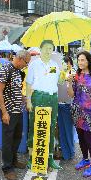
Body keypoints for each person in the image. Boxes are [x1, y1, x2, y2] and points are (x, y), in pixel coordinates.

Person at [67, 50, 91, 178]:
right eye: (78, 60)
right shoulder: (76, 75)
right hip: (77, 113)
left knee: (89, 140)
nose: (80, 62)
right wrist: (68, 82)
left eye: (82, 60)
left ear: (88, 61)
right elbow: (71, 95)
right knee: (81, 138)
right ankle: (85, 160)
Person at [26, 40, 62, 170]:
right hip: (38, 97)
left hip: (52, 98)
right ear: (40, 49)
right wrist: (29, 101)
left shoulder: (55, 65)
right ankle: (32, 157)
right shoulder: (34, 64)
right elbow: (29, 84)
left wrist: (64, 73)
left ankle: (50, 157)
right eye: (46, 48)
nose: (48, 50)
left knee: (51, 126)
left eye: (50, 48)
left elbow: (59, 80)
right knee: (35, 126)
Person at [0, 49, 31, 180]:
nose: (26, 65)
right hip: (9, 111)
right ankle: (7, 168)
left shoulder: (17, 71)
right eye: (26, 62)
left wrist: (24, 99)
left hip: (18, 110)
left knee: (17, 137)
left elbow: (15, 90)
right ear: (20, 59)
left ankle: (14, 160)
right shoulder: (6, 69)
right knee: (8, 139)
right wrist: (4, 112)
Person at [57, 55, 75, 160]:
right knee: (61, 130)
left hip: (68, 105)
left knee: (68, 130)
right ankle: (65, 153)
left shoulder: (73, 73)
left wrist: (69, 80)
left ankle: (71, 152)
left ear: (71, 63)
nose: (65, 64)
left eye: (67, 62)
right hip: (58, 103)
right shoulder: (59, 73)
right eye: (63, 62)